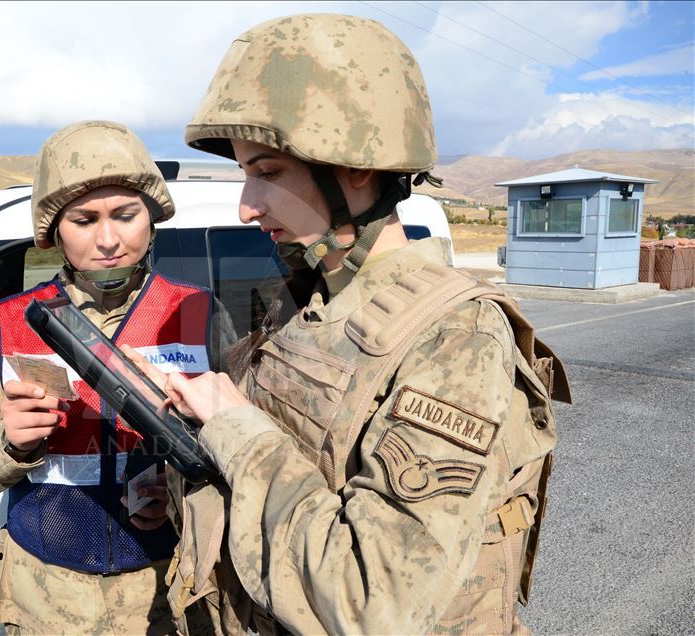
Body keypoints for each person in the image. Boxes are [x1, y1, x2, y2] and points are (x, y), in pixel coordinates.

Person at [127, 14, 572, 635]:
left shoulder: (457, 337)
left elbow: (372, 602)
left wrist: (233, 427)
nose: (247, 206)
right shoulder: (305, 301)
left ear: (356, 168)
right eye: (246, 174)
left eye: (268, 172)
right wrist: (180, 479)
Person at [0, 120, 232, 634]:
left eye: (125, 215)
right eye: (84, 220)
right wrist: (8, 444)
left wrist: (182, 495)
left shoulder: (197, 312)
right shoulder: (13, 322)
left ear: (151, 218)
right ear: (54, 230)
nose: (108, 239)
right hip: (43, 600)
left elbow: (247, 454)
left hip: (166, 598)